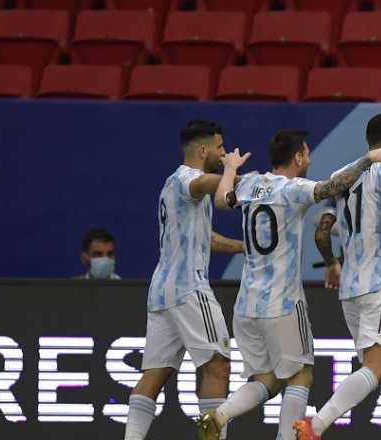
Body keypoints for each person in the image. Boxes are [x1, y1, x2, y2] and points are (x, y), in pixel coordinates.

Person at [195, 130, 381, 440]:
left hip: (246, 303)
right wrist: (367, 158)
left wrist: (231, 168)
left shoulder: (249, 182)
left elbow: (222, 200)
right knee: (300, 376)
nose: (310, 159)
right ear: (298, 158)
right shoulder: (294, 189)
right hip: (283, 302)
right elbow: (334, 186)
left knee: (266, 379)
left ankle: (220, 414)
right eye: (307, 153)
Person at [297, 113, 381, 440]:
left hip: (351, 288)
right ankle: (316, 425)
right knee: (376, 365)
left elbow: (322, 232)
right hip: (378, 283)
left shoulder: (346, 176)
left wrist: (331, 264)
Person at [123, 120, 245, 440]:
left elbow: (206, 238)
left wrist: (245, 248)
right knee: (218, 365)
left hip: (162, 291)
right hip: (189, 288)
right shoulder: (189, 180)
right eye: (219, 148)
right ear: (203, 149)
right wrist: (236, 172)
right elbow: (215, 187)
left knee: (155, 374)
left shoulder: (169, 184)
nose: (222, 153)